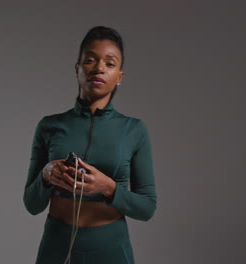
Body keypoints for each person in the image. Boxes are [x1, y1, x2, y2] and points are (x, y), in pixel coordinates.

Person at [23, 26, 157, 264]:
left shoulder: (134, 130)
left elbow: (147, 208)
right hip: (57, 245)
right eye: (90, 60)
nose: (98, 68)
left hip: (111, 248)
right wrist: (46, 175)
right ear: (77, 69)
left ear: (119, 77)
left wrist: (109, 188)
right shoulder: (49, 126)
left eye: (110, 63)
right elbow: (31, 205)